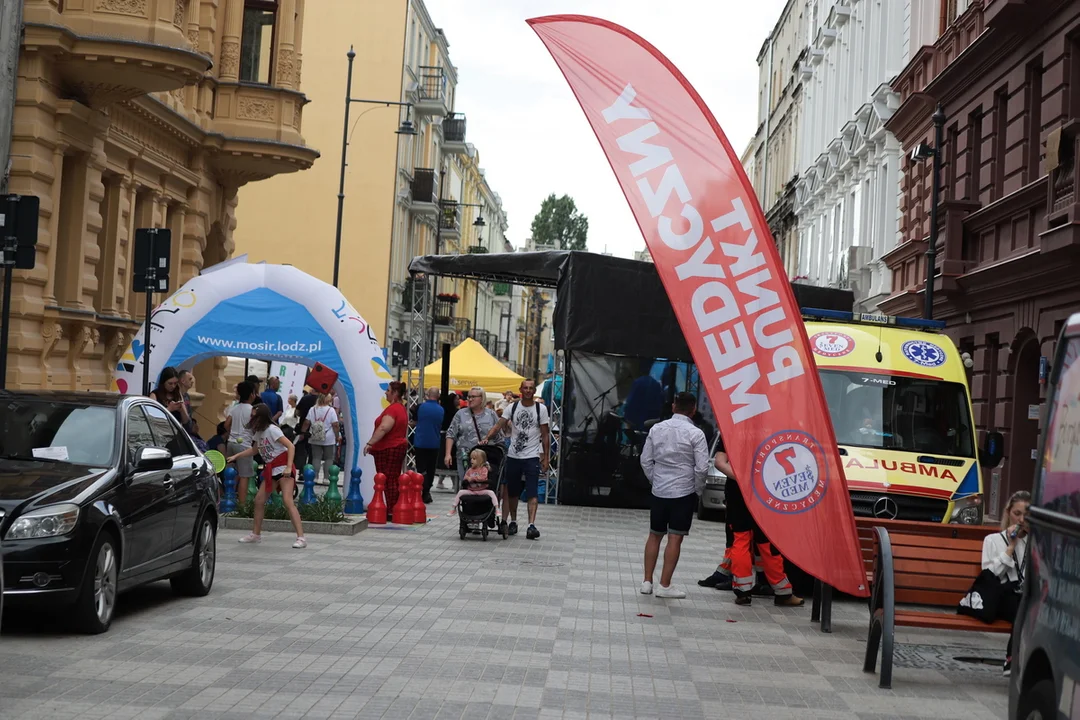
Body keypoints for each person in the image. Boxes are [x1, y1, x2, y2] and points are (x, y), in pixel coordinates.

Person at [716, 438, 804, 607]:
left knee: (741, 540)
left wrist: (742, 480)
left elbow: (720, 463)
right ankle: (783, 593)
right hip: (766, 491)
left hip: (738, 491)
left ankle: (743, 592)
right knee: (767, 543)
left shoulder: (732, 427)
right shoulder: (771, 427)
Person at [638, 391, 708, 599]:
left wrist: (655, 479)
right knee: (675, 537)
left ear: (673, 407)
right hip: (683, 490)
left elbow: (645, 460)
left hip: (659, 488)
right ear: (694, 410)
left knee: (654, 534)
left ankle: (647, 581)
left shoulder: (656, 429)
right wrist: (696, 488)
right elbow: (702, 468)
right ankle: (665, 585)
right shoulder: (696, 434)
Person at [229, 404, 307, 549]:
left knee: (287, 501)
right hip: (271, 470)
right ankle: (256, 534)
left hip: (283, 468)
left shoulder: (273, 430)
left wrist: (289, 467)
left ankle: (301, 538)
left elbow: (291, 446)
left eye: (254, 416)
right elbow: (254, 450)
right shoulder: (259, 433)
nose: (251, 419)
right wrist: (236, 456)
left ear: (261, 417)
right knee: (259, 500)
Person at [484, 379, 550, 540]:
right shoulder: (512, 407)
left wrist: (546, 457)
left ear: (534, 391)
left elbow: (545, 434)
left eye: (531, 388)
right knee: (512, 492)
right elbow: (499, 425)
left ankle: (531, 525)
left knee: (532, 490)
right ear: (520, 390)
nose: (528, 390)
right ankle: (513, 521)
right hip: (514, 455)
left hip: (532, 456)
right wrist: (486, 438)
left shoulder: (540, 409)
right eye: (525, 388)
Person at [982, 490, 1030, 676]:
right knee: (1022, 607)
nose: (1021, 520)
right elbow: (990, 576)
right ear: (1008, 512)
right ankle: (1012, 658)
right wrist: (1010, 547)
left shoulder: (1035, 543)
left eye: (1027, 516)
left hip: (1026, 597)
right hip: (1001, 597)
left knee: (1027, 607)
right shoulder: (992, 541)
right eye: (1017, 514)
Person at [364, 381, 409, 518]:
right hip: (395, 446)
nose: (386, 392)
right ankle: (394, 508)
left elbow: (384, 427)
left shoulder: (393, 409)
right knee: (392, 479)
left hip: (389, 448)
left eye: (388, 390)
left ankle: (391, 509)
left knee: (388, 479)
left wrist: (370, 443)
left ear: (395, 393)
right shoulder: (400, 409)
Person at [446, 386, 500, 492]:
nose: (470, 399)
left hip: (485, 459)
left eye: (473, 397)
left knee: (484, 487)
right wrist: (448, 454)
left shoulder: (491, 414)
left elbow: (499, 435)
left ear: (482, 398)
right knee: (467, 486)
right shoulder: (460, 414)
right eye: (468, 397)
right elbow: (450, 434)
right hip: (465, 458)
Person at [224, 381, 256, 504]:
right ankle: (242, 507)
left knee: (230, 474)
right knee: (244, 476)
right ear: (252, 395)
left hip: (231, 443)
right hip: (244, 446)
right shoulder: (252, 410)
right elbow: (255, 427)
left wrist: (232, 432)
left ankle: (229, 499)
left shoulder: (235, 408)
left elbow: (226, 424)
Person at [414, 387, 444, 504]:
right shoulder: (441, 410)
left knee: (421, 468)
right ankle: (427, 491)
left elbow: (415, 421)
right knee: (431, 468)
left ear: (427, 395)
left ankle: (421, 488)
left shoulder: (420, 407)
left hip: (420, 441)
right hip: (434, 442)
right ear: (438, 396)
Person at [449, 448, 500, 516]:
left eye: (474, 459)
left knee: (492, 493)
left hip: (482, 490)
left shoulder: (484, 469)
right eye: (471, 458)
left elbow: (483, 478)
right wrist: (468, 478)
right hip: (471, 490)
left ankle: (497, 509)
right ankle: (453, 508)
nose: (471, 460)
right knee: (460, 492)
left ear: (480, 461)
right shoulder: (470, 470)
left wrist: (472, 478)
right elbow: (465, 477)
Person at [304, 393, 341, 481]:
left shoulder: (312, 409)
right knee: (329, 458)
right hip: (329, 437)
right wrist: (337, 436)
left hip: (315, 436)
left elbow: (306, 422)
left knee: (316, 457)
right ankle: (326, 478)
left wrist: (303, 432)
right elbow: (335, 424)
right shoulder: (331, 410)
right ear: (328, 400)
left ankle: (315, 477)